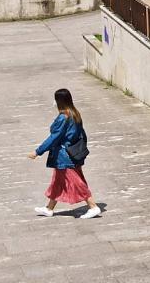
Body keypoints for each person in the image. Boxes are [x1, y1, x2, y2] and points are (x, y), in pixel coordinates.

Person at [28, 88, 100, 219]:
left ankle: (93, 206)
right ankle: (49, 208)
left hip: (64, 156)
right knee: (57, 182)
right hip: (73, 153)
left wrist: (38, 151)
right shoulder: (75, 114)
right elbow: (82, 134)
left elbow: (54, 137)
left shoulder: (63, 117)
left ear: (59, 101)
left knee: (76, 182)